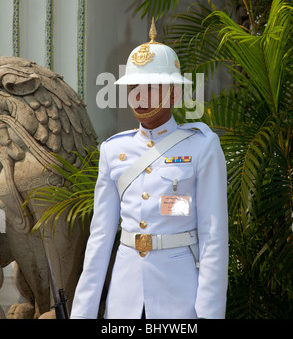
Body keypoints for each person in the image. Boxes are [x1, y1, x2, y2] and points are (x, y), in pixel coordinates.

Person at [70, 20, 228, 319]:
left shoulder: (201, 147)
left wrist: (209, 314)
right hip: (125, 295)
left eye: (152, 88)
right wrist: (83, 312)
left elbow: (214, 237)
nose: (141, 97)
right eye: (134, 88)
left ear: (174, 94)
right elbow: (100, 238)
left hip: (178, 293)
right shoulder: (113, 150)